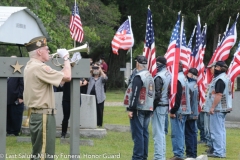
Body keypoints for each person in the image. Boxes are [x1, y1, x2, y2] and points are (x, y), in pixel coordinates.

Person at [23, 36, 71, 159]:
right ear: (39, 51)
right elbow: (67, 77)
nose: (49, 52)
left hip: (37, 114)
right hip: (43, 116)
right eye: (47, 49)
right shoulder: (40, 67)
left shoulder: (30, 65)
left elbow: (60, 82)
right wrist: (66, 58)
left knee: (38, 153)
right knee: (44, 155)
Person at [123, 55, 155, 160]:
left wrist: (131, 109)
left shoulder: (139, 76)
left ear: (137, 64)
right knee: (144, 133)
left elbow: (135, 93)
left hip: (139, 108)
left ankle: (137, 157)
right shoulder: (150, 75)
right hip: (148, 107)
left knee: (138, 134)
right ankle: (144, 156)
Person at [205, 61, 231, 158]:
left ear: (219, 68)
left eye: (215, 67)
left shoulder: (220, 79)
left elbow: (218, 94)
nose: (214, 68)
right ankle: (221, 150)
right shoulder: (225, 77)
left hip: (218, 109)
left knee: (216, 131)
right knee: (221, 131)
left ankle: (219, 152)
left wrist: (212, 107)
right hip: (223, 108)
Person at [169, 62, 191, 160]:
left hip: (179, 110)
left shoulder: (177, 79)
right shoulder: (184, 77)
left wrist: (173, 110)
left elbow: (177, 97)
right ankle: (180, 152)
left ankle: (178, 154)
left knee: (177, 133)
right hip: (185, 109)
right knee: (181, 132)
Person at [152, 56, 171, 160]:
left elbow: (157, 95)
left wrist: (152, 107)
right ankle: (161, 155)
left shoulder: (159, 76)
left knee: (157, 133)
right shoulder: (169, 74)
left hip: (159, 106)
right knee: (162, 132)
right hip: (165, 105)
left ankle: (159, 157)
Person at [201, 62, 216, 153]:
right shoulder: (212, 79)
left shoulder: (216, 79)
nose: (210, 70)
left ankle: (213, 146)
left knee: (211, 128)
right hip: (207, 106)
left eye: (212, 68)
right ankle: (210, 144)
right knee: (207, 127)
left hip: (211, 107)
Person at [7, 56, 24, 136]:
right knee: (8, 115)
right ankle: (9, 130)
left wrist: (21, 97)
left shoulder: (19, 71)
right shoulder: (6, 70)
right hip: (7, 98)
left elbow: (22, 84)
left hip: (16, 97)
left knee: (16, 115)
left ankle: (15, 131)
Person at [87, 63, 108, 127]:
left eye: (97, 68)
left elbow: (105, 79)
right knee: (90, 109)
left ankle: (99, 124)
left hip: (100, 97)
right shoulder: (91, 77)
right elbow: (86, 78)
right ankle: (90, 122)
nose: (95, 70)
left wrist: (100, 70)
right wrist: (90, 70)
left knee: (99, 110)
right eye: (94, 68)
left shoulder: (101, 78)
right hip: (91, 95)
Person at [185, 68, 199, 158]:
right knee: (193, 133)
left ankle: (190, 153)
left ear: (190, 75)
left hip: (190, 112)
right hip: (195, 111)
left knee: (189, 133)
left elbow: (188, 100)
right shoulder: (196, 85)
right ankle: (193, 152)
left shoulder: (189, 86)